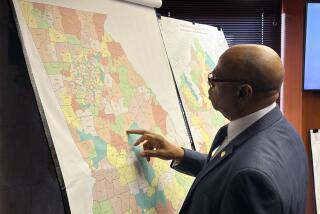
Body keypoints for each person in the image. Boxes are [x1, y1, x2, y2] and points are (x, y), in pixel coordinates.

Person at [127, 44, 308, 214]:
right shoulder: (288, 135)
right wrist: (181, 155)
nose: (209, 85)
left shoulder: (250, 177)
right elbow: (228, 175)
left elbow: (243, 175)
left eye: (214, 79)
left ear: (244, 93)